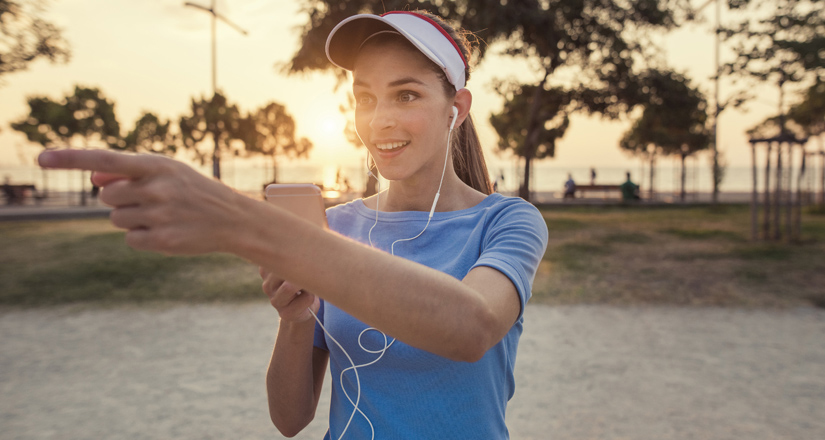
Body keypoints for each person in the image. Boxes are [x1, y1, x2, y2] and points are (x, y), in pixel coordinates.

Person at [37, 10, 548, 440]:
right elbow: (290, 418)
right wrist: (297, 319)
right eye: (365, 97)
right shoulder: (332, 228)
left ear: (457, 108)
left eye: (406, 95)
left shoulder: (506, 221)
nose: (379, 120)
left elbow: (471, 328)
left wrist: (241, 222)